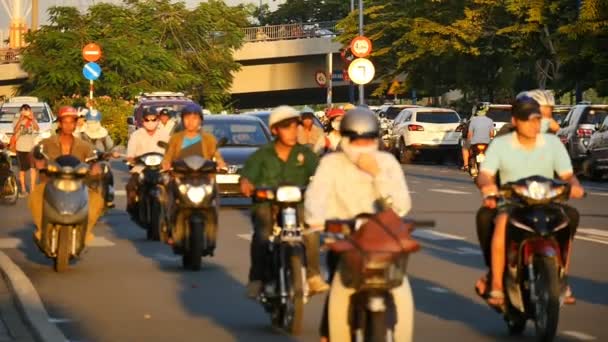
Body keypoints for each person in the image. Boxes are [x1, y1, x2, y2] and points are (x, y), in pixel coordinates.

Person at [304, 107, 412, 342]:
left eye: (368, 139)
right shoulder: (331, 164)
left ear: (376, 139)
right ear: (345, 138)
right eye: (356, 139)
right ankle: (328, 334)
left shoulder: (387, 163)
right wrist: (317, 222)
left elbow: (402, 206)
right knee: (337, 282)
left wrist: (377, 175)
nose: (362, 145)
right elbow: (315, 198)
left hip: (381, 241)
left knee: (399, 283)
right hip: (345, 241)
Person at [475, 95, 585, 307]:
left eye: (536, 119)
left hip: (548, 202)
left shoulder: (552, 143)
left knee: (569, 218)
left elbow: (567, 175)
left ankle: (562, 278)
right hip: (513, 203)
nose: (532, 125)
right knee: (500, 221)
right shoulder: (501, 145)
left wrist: (575, 186)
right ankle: (496, 283)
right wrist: (487, 187)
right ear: (515, 121)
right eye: (527, 120)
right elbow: (485, 174)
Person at [239, 105, 329, 298]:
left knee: (312, 233)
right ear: (274, 130)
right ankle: (257, 279)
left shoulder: (305, 154)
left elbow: (322, 175)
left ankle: (313, 276)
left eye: (295, 126)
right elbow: (247, 176)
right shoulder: (262, 155)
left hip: (298, 205)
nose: (292, 131)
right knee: (262, 236)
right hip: (267, 206)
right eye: (286, 127)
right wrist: (246, 184)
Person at [29, 106, 104, 245]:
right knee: (36, 196)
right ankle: (41, 229)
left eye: (72, 122)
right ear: (59, 123)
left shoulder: (84, 145)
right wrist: (38, 161)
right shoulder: (47, 142)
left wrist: (96, 167)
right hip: (51, 183)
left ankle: (86, 232)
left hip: (78, 185)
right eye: (65, 122)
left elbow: (95, 158)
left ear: (76, 124)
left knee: (97, 199)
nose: (69, 125)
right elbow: (34, 153)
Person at [162, 103, 225, 255]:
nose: (191, 122)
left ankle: (211, 235)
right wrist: (166, 164)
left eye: (195, 118)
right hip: (181, 177)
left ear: (200, 121)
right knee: (167, 196)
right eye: (187, 118)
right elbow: (168, 156)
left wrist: (221, 164)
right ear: (182, 120)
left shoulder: (209, 139)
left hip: (204, 178)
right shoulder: (176, 138)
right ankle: (169, 228)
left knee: (214, 201)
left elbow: (217, 156)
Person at [125, 108, 169, 217]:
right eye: (147, 119)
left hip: (161, 169)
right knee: (131, 187)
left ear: (158, 120)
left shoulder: (165, 134)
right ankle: (132, 208)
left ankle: (172, 210)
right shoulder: (136, 135)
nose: (150, 122)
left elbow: (171, 150)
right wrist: (130, 158)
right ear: (143, 121)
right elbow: (130, 153)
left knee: (174, 186)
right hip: (141, 169)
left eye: (153, 119)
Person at [12, 104, 39, 196]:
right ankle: (23, 189)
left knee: (33, 169)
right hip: (21, 148)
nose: (26, 112)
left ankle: (33, 189)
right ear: (21, 111)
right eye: (24, 110)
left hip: (31, 148)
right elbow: (15, 131)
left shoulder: (32, 119)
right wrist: (20, 120)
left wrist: (32, 119)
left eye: (27, 110)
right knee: (22, 170)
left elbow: (37, 128)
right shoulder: (16, 119)